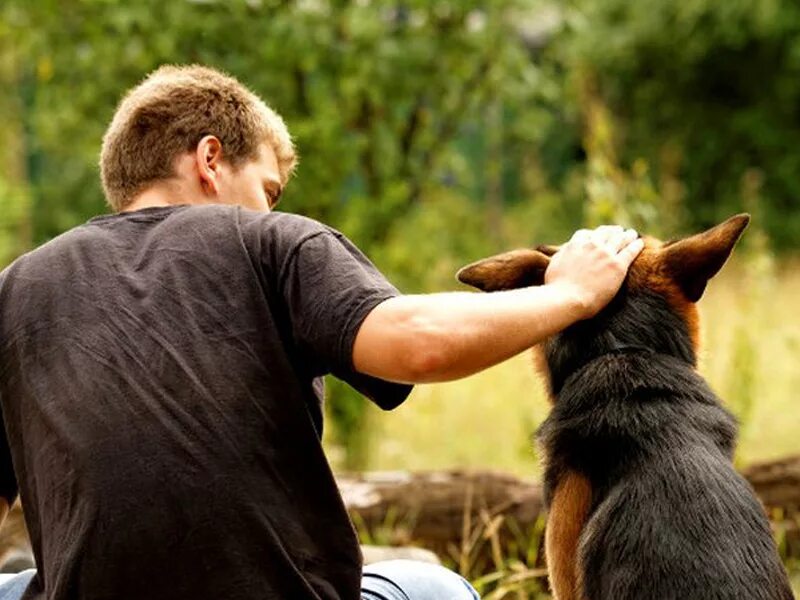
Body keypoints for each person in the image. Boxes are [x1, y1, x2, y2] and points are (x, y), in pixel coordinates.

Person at [0, 65, 643, 600]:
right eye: (269, 188)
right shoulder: (267, 241)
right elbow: (416, 341)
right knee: (438, 590)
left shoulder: (17, 287)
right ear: (210, 159)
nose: (270, 206)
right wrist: (570, 294)